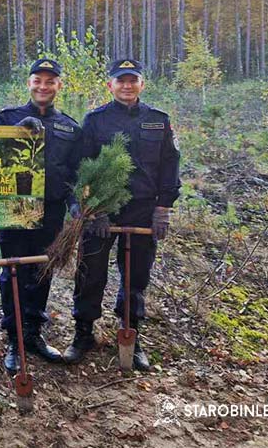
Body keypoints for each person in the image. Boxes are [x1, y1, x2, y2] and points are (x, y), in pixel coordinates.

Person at [63, 58, 181, 371]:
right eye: (120, 80)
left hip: (143, 209)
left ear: (142, 84)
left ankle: (131, 334)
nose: (127, 86)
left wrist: (163, 209)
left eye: (132, 80)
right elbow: (80, 169)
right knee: (91, 273)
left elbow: (170, 166)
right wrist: (92, 209)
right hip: (102, 210)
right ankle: (83, 333)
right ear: (110, 85)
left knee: (136, 276)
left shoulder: (158, 120)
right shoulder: (95, 121)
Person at [0, 58, 83, 373]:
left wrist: (75, 203)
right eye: (38, 80)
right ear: (29, 83)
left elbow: (74, 172)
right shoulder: (7, 117)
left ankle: (33, 334)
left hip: (52, 212)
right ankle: (14, 340)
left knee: (42, 271)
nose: (43, 86)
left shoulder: (71, 127)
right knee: (14, 273)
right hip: (15, 208)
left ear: (59, 85)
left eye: (50, 81)